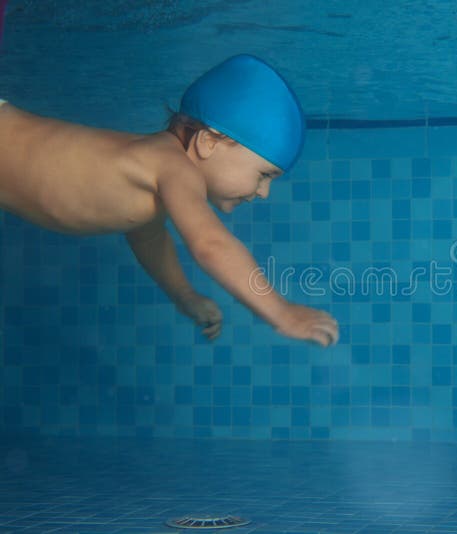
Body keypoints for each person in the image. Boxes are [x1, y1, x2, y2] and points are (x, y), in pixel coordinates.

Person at [0, 54, 339, 346]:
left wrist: (183, 295)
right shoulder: (172, 167)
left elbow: (145, 234)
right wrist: (280, 311)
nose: (263, 191)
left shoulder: (157, 177)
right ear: (208, 142)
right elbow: (210, 244)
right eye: (264, 174)